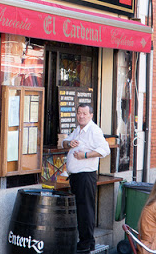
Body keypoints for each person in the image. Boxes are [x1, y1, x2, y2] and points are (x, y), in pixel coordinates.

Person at [62, 103, 111, 254]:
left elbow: (105, 150)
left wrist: (85, 155)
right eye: (79, 113)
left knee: (86, 209)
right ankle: (85, 242)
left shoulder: (94, 130)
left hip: (86, 175)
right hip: (76, 176)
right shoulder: (78, 129)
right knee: (81, 209)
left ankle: (86, 242)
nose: (81, 116)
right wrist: (69, 143)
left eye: (84, 113)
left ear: (91, 115)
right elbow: (63, 143)